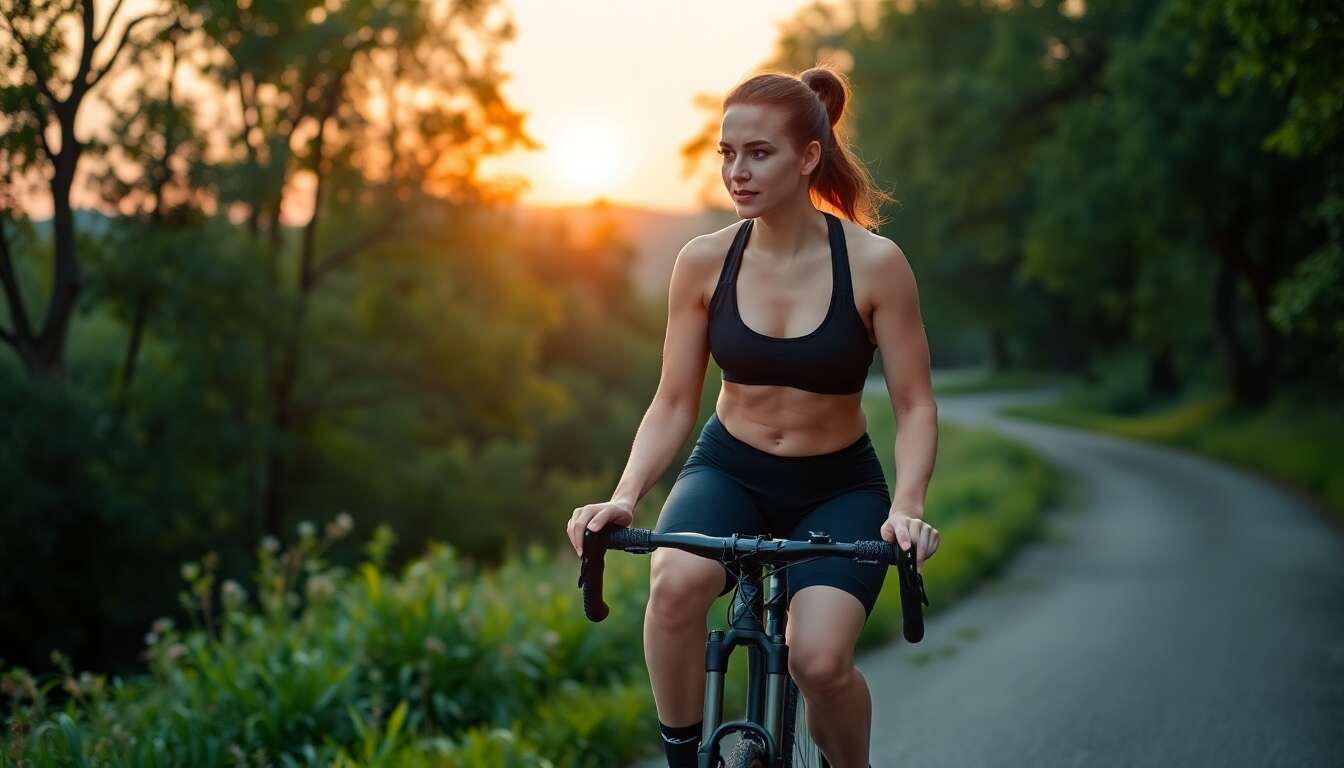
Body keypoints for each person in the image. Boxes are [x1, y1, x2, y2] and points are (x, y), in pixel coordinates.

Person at [565, 66, 941, 768]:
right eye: (727, 154)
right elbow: (674, 401)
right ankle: (683, 758)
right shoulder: (703, 262)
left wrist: (909, 506)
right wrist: (625, 495)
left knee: (820, 663)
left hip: (838, 488)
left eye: (759, 153)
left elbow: (917, 404)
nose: (736, 171)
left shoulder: (876, 265)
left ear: (807, 157)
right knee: (674, 585)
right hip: (730, 469)